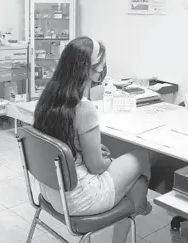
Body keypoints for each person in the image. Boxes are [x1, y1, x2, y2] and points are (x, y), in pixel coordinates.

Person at [33, 36, 152, 243]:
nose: (104, 67)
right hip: (79, 200)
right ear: (89, 69)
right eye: (102, 63)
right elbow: (97, 167)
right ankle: (138, 205)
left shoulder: (49, 98)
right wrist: (107, 161)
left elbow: (62, 141)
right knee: (141, 157)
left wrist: (87, 149)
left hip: (52, 191)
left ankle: (138, 202)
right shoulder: (84, 107)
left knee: (131, 177)